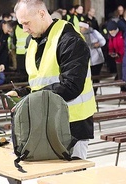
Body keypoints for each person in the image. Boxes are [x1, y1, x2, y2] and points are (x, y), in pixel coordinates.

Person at [8, 0, 97, 160]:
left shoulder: (70, 40)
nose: (24, 29)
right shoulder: (34, 41)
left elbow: (71, 86)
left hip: (73, 125)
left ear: (41, 14)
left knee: (72, 177)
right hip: (46, 121)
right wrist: (23, 93)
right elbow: (42, 81)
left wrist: (31, 99)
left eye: (26, 23)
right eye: (21, 24)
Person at [79, 21, 106, 95]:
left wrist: (97, 44)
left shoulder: (94, 32)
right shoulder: (79, 35)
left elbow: (103, 41)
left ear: (85, 27)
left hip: (97, 59)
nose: (80, 28)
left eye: (81, 27)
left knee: (95, 76)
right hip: (86, 61)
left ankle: (94, 91)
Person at [107, 20, 126, 92]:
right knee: (120, 76)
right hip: (118, 60)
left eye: (113, 30)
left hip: (124, 59)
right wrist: (111, 52)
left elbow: (124, 47)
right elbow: (111, 46)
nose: (111, 32)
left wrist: (119, 53)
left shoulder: (122, 34)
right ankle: (123, 91)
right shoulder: (111, 37)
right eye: (110, 31)